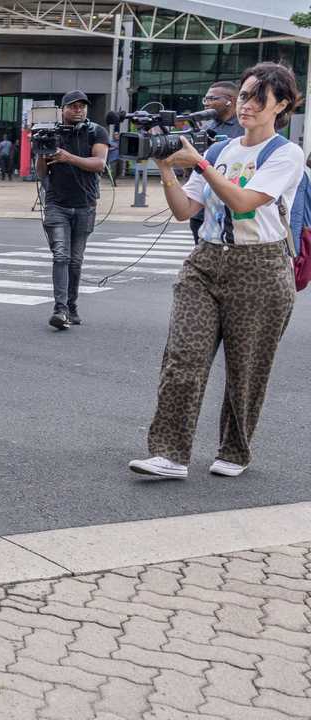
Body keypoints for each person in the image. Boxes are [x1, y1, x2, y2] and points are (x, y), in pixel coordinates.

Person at [130, 63, 303, 480]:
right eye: (244, 96)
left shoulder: (286, 154)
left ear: (281, 105)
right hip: (205, 260)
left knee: (247, 369)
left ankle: (235, 449)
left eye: (258, 98)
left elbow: (245, 202)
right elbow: (183, 211)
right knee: (182, 358)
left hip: (260, 266)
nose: (247, 106)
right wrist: (168, 166)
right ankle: (169, 453)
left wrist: (200, 165)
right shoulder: (219, 151)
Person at [39, 90, 111, 330]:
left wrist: (68, 157)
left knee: (75, 261)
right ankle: (59, 309)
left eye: (82, 106)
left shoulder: (97, 132)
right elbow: (41, 174)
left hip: (85, 205)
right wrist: (42, 148)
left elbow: (99, 164)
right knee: (61, 255)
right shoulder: (51, 132)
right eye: (73, 106)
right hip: (56, 204)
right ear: (63, 109)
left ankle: (71, 306)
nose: (78, 110)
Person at [190, 80, 244, 241]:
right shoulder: (206, 129)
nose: (206, 103)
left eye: (212, 98)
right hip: (201, 211)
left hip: (231, 210)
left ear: (230, 101)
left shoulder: (245, 129)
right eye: (205, 99)